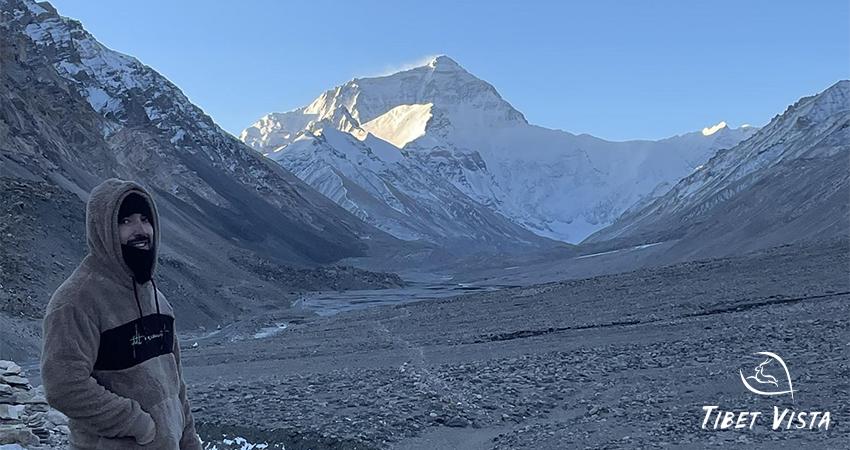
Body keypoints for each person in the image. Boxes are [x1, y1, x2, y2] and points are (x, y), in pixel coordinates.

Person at [41, 178, 202, 449]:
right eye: (125, 221)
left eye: (145, 219)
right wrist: (137, 423)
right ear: (102, 229)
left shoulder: (159, 301)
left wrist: (189, 441)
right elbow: (63, 385)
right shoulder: (76, 301)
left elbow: (176, 386)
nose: (140, 230)